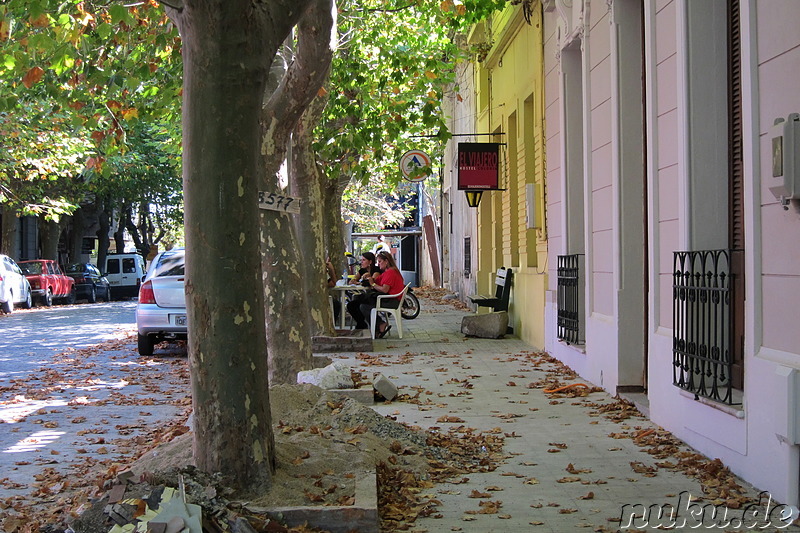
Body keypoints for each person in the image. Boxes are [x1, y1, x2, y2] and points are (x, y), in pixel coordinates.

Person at [346, 251, 405, 337]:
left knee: (363, 305)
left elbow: (384, 289)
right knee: (356, 302)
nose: (378, 264)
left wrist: (372, 284)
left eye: (380, 261)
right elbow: (377, 281)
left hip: (391, 300)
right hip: (388, 298)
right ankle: (375, 326)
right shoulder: (389, 272)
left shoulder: (390, 273)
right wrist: (370, 278)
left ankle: (378, 325)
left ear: (386, 261)